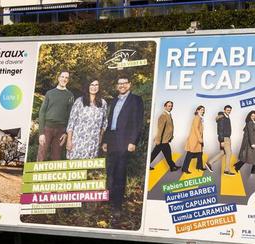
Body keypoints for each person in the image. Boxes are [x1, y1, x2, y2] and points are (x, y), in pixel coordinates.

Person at [101, 76, 145, 212]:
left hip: (125, 140)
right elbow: (109, 122)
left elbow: (138, 122)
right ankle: (108, 198)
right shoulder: (114, 101)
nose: (122, 85)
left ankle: (117, 204)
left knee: (120, 171)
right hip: (112, 139)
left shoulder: (136, 100)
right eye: (119, 83)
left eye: (125, 83)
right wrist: (105, 140)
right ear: (117, 86)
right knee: (110, 170)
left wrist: (133, 141)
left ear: (129, 84)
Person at [64, 78, 107, 160]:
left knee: (89, 166)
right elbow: (71, 122)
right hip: (78, 140)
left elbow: (104, 123)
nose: (94, 87)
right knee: (75, 165)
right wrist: (69, 140)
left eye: (96, 85)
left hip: (93, 142)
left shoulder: (103, 103)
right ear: (88, 86)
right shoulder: (79, 101)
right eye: (92, 85)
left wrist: (100, 136)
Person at [37, 71, 74, 162]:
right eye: (62, 77)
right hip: (47, 128)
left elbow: (70, 116)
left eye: (66, 78)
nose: (64, 79)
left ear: (68, 80)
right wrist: (41, 133)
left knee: (56, 158)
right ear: (58, 78)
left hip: (61, 131)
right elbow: (42, 112)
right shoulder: (50, 93)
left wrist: (65, 133)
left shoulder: (70, 95)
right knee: (41, 155)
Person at [148, 100, 178, 171]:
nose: (170, 107)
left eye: (171, 106)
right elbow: (160, 129)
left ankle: (172, 166)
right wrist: (158, 140)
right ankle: (172, 167)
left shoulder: (168, 115)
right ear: (165, 107)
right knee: (155, 153)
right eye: (169, 106)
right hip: (162, 140)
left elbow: (169, 127)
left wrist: (171, 136)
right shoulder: (163, 116)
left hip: (165, 139)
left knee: (167, 154)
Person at [178, 105, 206, 175]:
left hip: (197, 138)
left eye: (203, 110)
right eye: (201, 109)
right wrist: (200, 138)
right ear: (197, 110)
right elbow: (196, 129)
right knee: (190, 154)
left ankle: (199, 166)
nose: (202, 111)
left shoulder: (200, 118)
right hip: (195, 139)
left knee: (200, 153)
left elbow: (200, 129)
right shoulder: (197, 118)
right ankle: (184, 168)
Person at [212, 105, 236, 175]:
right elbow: (220, 130)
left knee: (223, 152)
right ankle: (226, 170)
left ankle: (209, 163)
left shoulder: (227, 117)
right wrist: (221, 140)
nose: (229, 111)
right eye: (227, 110)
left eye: (230, 110)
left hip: (227, 137)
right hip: (224, 138)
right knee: (229, 153)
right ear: (224, 110)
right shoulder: (222, 118)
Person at [236, 109, 255, 176]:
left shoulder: (251, 123)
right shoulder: (250, 123)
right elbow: (250, 133)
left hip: (253, 142)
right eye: (252, 116)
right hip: (251, 143)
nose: (253, 117)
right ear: (249, 116)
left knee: (250, 156)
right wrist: (252, 143)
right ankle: (253, 169)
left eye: (254, 116)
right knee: (249, 156)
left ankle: (253, 169)